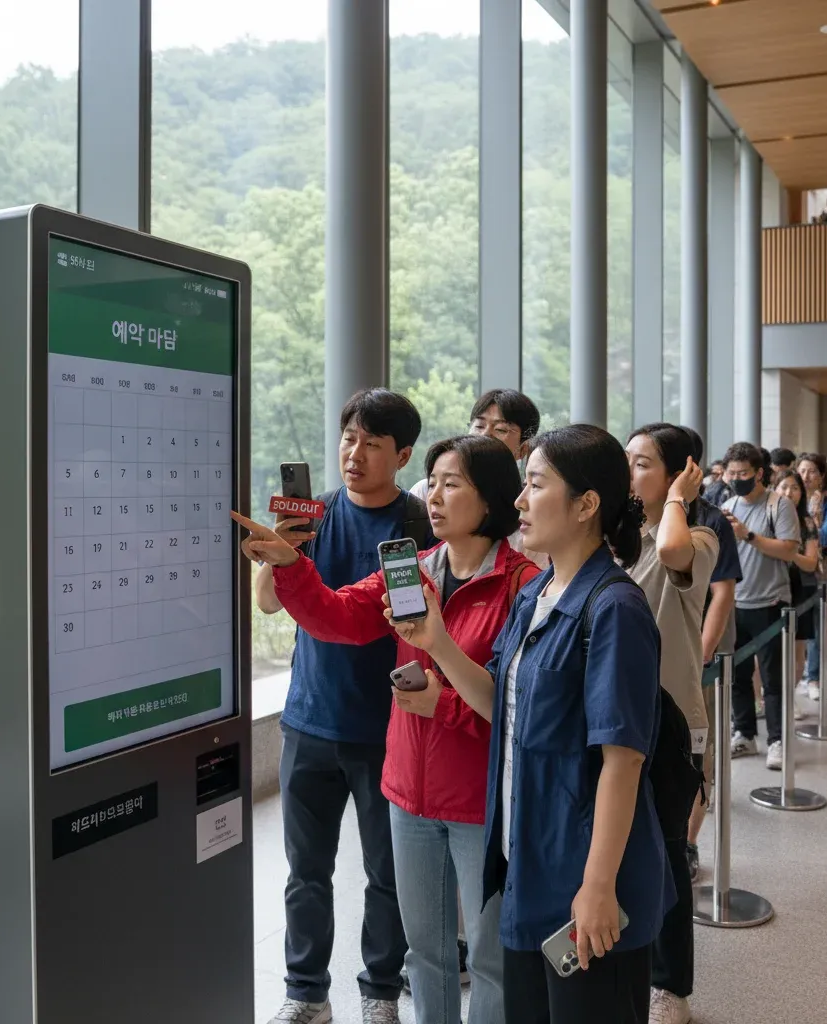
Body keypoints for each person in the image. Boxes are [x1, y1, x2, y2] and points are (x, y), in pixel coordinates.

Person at [251, 434, 541, 1024]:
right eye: (431, 481)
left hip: (481, 798)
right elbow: (336, 617)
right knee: (425, 956)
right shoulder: (413, 570)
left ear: (490, 499)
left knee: (488, 958)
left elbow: (522, 701)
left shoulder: (523, 583)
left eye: (451, 483)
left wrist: (445, 707)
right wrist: (289, 563)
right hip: (409, 791)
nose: (432, 495)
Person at [427, 424, 672, 1023]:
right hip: (528, 863)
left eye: (535, 484)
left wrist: (597, 887)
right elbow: (502, 705)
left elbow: (624, 759)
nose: (519, 500)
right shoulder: (537, 592)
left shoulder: (614, 607)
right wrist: (436, 641)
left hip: (585, 877)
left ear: (586, 504)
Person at [239, 388, 429, 1024]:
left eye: (373, 443)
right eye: (349, 438)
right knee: (306, 872)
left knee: (386, 873)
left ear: (402, 454)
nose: (355, 453)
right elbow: (268, 603)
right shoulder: (314, 514)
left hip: (388, 727)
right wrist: (274, 556)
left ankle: (378, 992)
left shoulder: (418, 525)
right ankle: (306, 994)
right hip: (309, 721)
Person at [625, 424, 718, 1024]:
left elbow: (671, 552)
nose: (630, 474)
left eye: (642, 465)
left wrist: (680, 498)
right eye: (626, 462)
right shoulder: (613, 537)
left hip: (671, 717)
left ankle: (670, 986)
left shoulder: (699, 536)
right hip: (614, 714)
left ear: (679, 472)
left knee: (666, 852)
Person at [680, 429, 740, 881]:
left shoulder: (709, 520)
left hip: (697, 659)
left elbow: (721, 595)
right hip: (651, 657)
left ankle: (688, 842)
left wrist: (700, 655)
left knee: (696, 754)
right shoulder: (630, 515)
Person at [720, 442, 800, 770]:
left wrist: (748, 536)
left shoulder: (778, 505)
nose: (737, 479)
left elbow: (789, 550)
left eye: (744, 473)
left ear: (759, 474)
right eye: (732, 473)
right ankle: (744, 733)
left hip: (770, 601)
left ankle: (778, 740)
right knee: (737, 674)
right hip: (734, 602)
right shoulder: (726, 505)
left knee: (772, 676)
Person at [411, 388, 549, 571]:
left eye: (501, 429)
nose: (485, 435)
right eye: (478, 426)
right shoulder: (423, 492)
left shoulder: (529, 506)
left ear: (523, 449)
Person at [773, 470, 820, 719]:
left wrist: (786, 552)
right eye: (783, 487)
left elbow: (811, 563)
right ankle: (766, 699)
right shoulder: (767, 517)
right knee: (768, 652)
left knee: (797, 649)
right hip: (769, 588)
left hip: (801, 588)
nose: (788, 493)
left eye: (794, 488)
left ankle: (788, 697)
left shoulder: (807, 522)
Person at [796, 454, 827, 698]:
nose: (806, 476)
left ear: (822, 475)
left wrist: (806, 529)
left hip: (820, 569)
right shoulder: (787, 499)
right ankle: (795, 675)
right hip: (790, 571)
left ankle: (813, 676)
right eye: (802, 470)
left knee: (816, 625)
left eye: (812, 471)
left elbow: (825, 536)